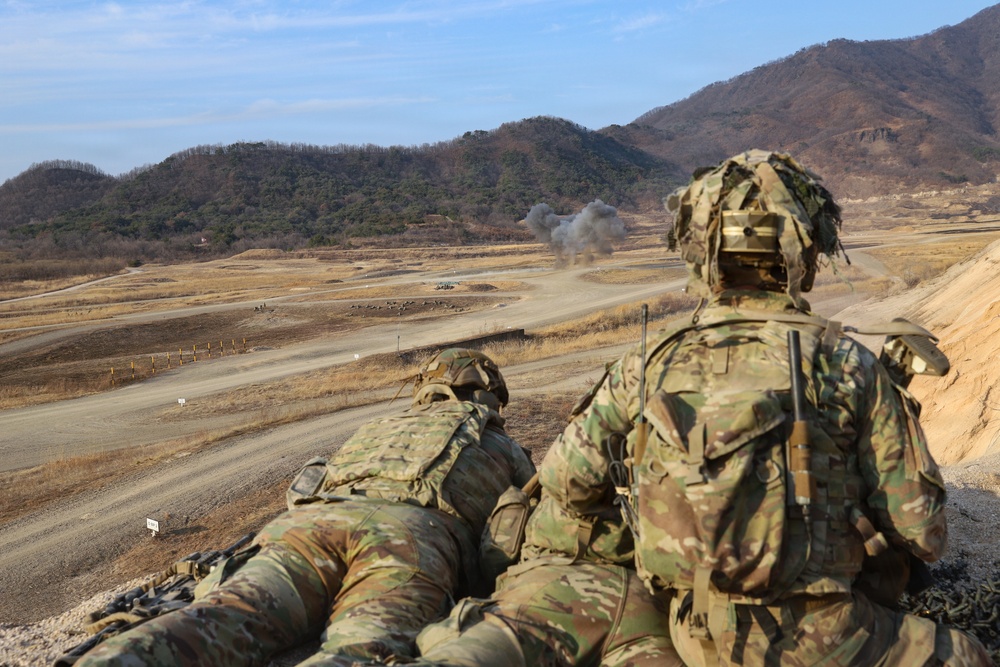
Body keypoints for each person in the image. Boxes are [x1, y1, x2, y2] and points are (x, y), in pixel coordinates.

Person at [536, 150, 992, 666]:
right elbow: (923, 533)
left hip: (694, 633)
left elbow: (563, 483)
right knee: (965, 655)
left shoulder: (647, 363)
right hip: (828, 636)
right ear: (805, 249)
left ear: (701, 250)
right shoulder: (846, 363)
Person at [74, 348, 536, 667]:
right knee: (362, 648)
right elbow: (525, 528)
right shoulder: (501, 443)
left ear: (425, 390)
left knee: (219, 616)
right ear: (488, 396)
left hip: (310, 525)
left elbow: (311, 482)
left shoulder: (376, 428)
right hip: (409, 541)